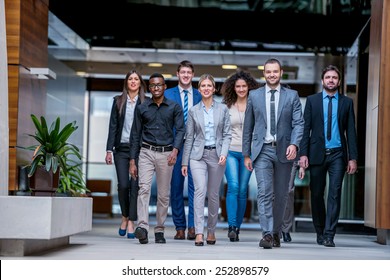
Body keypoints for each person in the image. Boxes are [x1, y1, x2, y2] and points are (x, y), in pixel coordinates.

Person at [242, 58, 304, 249]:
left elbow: (299, 123)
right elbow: (248, 126)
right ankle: (267, 234)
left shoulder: (292, 95)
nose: (271, 75)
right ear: (264, 73)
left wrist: (294, 144)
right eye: (268, 72)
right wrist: (246, 154)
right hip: (262, 151)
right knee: (264, 193)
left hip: (285, 151)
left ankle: (276, 231)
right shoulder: (254, 95)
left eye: (275, 71)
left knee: (282, 195)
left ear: (281, 72)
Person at [299, 65, 358, 247]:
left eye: (334, 77)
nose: (331, 80)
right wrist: (303, 155)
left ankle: (329, 234)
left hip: (338, 155)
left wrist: (352, 158)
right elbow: (305, 129)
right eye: (328, 77)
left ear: (339, 81)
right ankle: (320, 230)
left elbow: (351, 131)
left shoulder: (347, 103)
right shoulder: (312, 101)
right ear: (323, 80)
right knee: (316, 194)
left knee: (334, 193)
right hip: (317, 154)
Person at [129, 73, 185, 244]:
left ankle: (159, 229)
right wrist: (133, 160)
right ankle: (143, 227)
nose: (156, 88)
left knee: (163, 195)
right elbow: (135, 134)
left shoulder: (174, 107)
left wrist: (175, 151)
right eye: (153, 85)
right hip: (146, 151)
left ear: (165, 86)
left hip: (166, 154)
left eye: (159, 85)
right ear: (149, 87)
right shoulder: (142, 107)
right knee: (143, 189)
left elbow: (181, 130)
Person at [181, 74, 231, 246]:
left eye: (209, 85)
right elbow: (189, 138)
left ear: (214, 88)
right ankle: (199, 233)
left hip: (217, 156)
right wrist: (184, 162)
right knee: (199, 191)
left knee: (213, 194)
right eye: (203, 86)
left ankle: (211, 231)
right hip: (198, 156)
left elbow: (227, 134)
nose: (206, 88)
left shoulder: (222, 109)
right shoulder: (194, 110)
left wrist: (224, 152)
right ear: (199, 89)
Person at [105, 70, 147, 239]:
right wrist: (108, 150)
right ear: (126, 82)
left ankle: (131, 221)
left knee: (135, 185)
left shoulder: (146, 102)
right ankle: (125, 215)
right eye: (130, 78)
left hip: (139, 150)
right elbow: (112, 126)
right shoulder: (118, 101)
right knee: (123, 185)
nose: (133, 81)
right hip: (121, 149)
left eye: (136, 79)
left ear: (140, 83)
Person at [221, 70, 260, 242]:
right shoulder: (226, 106)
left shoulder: (255, 105)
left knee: (243, 190)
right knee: (234, 186)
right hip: (230, 151)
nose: (241, 89)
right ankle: (231, 226)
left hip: (248, 154)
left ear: (249, 87)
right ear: (233, 88)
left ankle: (237, 228)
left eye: (244, 86)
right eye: (238, 86)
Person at [164, 60, 202, 240]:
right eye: (183, 72)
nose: (186, 75)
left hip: (195, 148)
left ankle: (193, 227)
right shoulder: (168, 94)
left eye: (189, 72)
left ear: (192, 75)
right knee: (176, 187)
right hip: (175, 148)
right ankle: (180, 226)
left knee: (196, 188)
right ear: (177, 74)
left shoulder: (200, 94)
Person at [281, 160, 306, 242]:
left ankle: (286, 229)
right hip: (273, 154)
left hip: (291, 158)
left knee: (288, 192)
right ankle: (272, 228)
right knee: (272, 192)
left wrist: (302, 166)